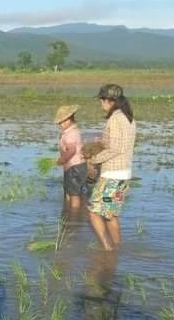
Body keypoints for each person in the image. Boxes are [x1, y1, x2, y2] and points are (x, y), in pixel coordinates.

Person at [85, 84, 135, 251]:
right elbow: (119, 144)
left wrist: (94, 160)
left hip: (112, 175)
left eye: (102, 100)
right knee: (110, 215)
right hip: (124, 174)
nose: (101, 104)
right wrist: (101, 143)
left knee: (93, 212)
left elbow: (115, 148)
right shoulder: (129, 118)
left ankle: (108, 249)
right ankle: (117, 247)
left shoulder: (114, 119)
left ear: (109, 101)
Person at [54, 105, 87, 210]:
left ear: (71, 118)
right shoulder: (71, 131)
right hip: (74, 167)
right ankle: (68, 211)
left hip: (75, 167)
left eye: (65, 120)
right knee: (70, 190)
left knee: (74, 194)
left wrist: (62, 160)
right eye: (60, 122)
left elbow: (72, 151)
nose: (62, 123)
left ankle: (74, 215)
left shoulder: (71, 133)